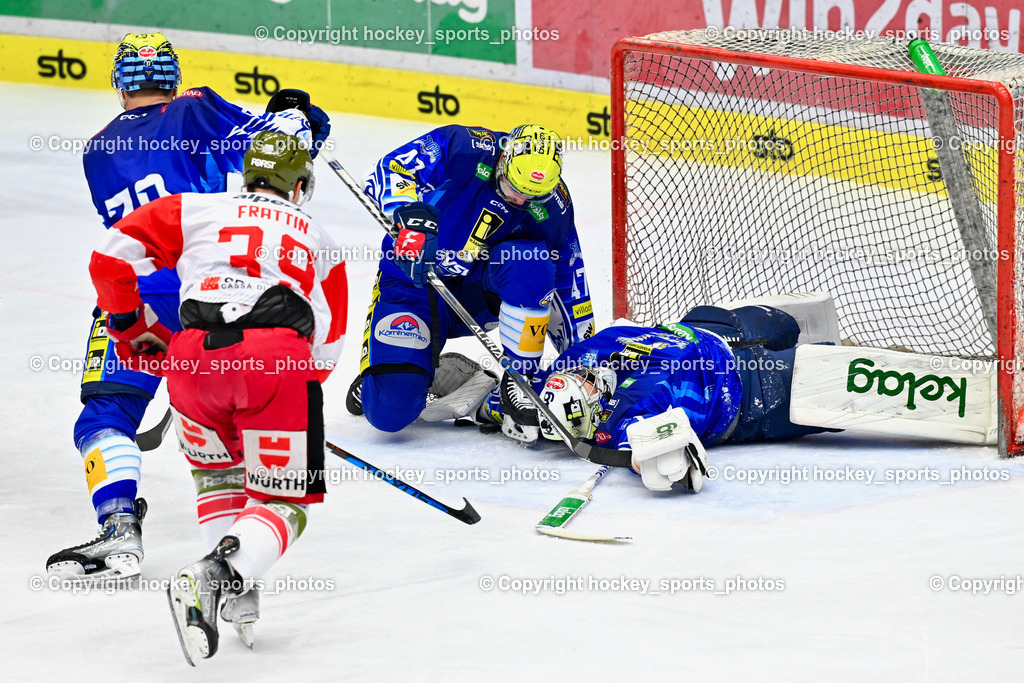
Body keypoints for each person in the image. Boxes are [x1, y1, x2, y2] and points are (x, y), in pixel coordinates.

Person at [47, 32, 331, 581]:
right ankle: (241, 547)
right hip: (212, 292)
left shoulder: (96, 149)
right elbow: (271, 156)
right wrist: (302, 117)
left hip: (134, 296)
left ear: (120, 83)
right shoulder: (195, 106)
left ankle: (118, 524)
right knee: (232, 417)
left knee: (106, 413)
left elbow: (121, 240)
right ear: (173, 78)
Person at [87, 132, 346, 663]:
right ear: (299, 187)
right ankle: (221, 575)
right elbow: (330, 337)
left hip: (191, 361)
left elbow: (108, 258)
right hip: (275, 362)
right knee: (285, 503)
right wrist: (298, 405)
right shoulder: (319, 236)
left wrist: (129, 321)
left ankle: (233, 592)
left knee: (218, 478)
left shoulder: (194, 207)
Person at [349, 123, 595, 441]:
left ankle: (516, 384)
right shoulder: (463, 146)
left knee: (532, 262)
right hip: (411, 281)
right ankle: (412, 370)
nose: (521, 200)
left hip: (476, 295)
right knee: (389, 409)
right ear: (503, 159)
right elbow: (389, 169)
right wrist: (410, 219)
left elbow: (567, 277)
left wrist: (583, 361)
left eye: (532, 195)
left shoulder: (554, 205)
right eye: (512, 188)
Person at [497, 304, 833, 492]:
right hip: (751, 391)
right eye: (585, 386)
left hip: (710, 328)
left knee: (785, 324)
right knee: (835, 373)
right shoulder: (630, 418)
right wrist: (658, 460)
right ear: (593, 409)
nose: (585, 374)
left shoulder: (573, 364)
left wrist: (504, 408)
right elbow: (652, 452)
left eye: (577, 377)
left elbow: (516, 389)